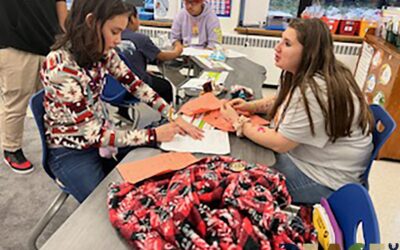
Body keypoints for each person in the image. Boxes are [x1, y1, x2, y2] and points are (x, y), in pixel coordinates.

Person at [40, 0, 203, 203]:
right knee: (107, 207)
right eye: (114, 31)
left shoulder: (102, 52)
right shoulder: (60, 66)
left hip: (99, 138)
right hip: (71, 151)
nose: (118, 40)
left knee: (156, 172)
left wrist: (174, 116)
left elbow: (137, 86)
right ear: (91, 22)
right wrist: (153, 134)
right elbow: (93, 135)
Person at [221, 18, 374, 204]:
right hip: (320, 163)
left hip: (326, 180)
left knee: (239, 186)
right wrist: (251, 106)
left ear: (309, 52)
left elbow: (280, 143)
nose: (277, 48)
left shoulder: (314, 90)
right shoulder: (319, 71)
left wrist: (239, 122)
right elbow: (282, 100)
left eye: (287, 44)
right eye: (280, 40)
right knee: (244, 163)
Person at [0, 0, 67, 174]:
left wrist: (67, 35)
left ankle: (57, 147)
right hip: (15, 44)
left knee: (53, 101)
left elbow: (60, 4)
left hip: (48, 44)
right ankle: (11, 149)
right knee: (16, 102)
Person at [117, 4, 183, 103]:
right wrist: (178, 51)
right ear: (132, 19)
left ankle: (123, 112)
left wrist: (142, 71)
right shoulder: (141, 39)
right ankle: (167, 115)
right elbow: (162, 57)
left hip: (116, 86)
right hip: (136, 86)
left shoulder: (113, 37)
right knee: (165, 85)